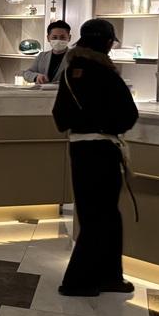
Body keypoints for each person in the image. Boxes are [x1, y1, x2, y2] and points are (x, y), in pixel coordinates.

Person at [51, 18, 139, 297]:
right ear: (107, 43)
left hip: (79, 148)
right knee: (104, 215)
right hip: (102, 149)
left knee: (95, 214)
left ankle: (108, 277)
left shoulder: (70, 70)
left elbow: (60, 116)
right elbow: (128, 114)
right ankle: (78, 281)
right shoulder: (104, 71)